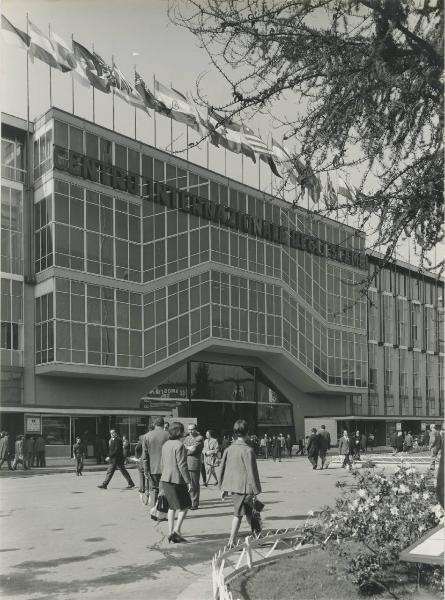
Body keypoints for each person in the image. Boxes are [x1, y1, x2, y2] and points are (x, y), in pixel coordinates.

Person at [219, 419, 262, 547]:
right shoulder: (248, 450)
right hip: (246, 487)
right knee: (241, 514)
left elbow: (223, 469)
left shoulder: (228, 449)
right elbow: (252, 472)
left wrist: (223, 488)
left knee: (249, 513)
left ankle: (257, 536)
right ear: (247, 432)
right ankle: (231, 541)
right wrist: (256, 490)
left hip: (234, 487)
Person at [160, 421, 192, 543]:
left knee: (172, 506)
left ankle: (170, 532)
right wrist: (189, 481)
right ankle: (176, 530)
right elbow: (182, 465)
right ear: (179, 432)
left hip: (165, 479)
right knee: (186, 505)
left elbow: (162, 463)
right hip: (177, 479)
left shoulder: (165, 444)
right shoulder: (180, 445)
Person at [142, 417, 169, 506]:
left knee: (153, 489)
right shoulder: (169, 435)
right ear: (163, 423)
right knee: (164, 489)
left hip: (152, 467)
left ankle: (153, 510)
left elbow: (145, 456)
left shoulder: (147, 436)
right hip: (167, 467)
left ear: (154, 424)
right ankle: (162, 511)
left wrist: (145, 469)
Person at [183, 423, 204, 510]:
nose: (190, 431)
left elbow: (193, 450)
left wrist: (187, 448)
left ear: (196, 429)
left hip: (194, 464)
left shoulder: (199, 438)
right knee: (188, 484)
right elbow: (183, 447)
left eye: (192, 429)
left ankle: (195, 503)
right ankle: (189, 502)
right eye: (189, 429)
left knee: (194, 484)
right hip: (186, 464)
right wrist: (188, 447)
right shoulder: (187, 438)